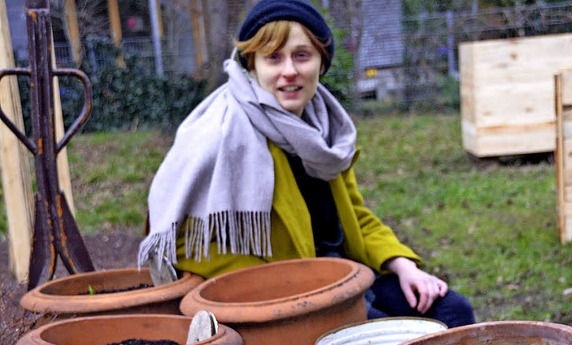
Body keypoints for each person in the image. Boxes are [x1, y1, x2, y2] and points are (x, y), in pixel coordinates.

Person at [140, 0, 475, 328]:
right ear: (252, 66)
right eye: (273, 58)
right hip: (286, 299)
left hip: (346, 278)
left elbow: (355, 218)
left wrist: (404, 266)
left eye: (302, 55)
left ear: (321, 62)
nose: (289, 71)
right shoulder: (219, 134)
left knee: (453, 312)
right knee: (385, 340)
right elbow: (184, 244)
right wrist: (279, 282)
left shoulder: (325, 132)